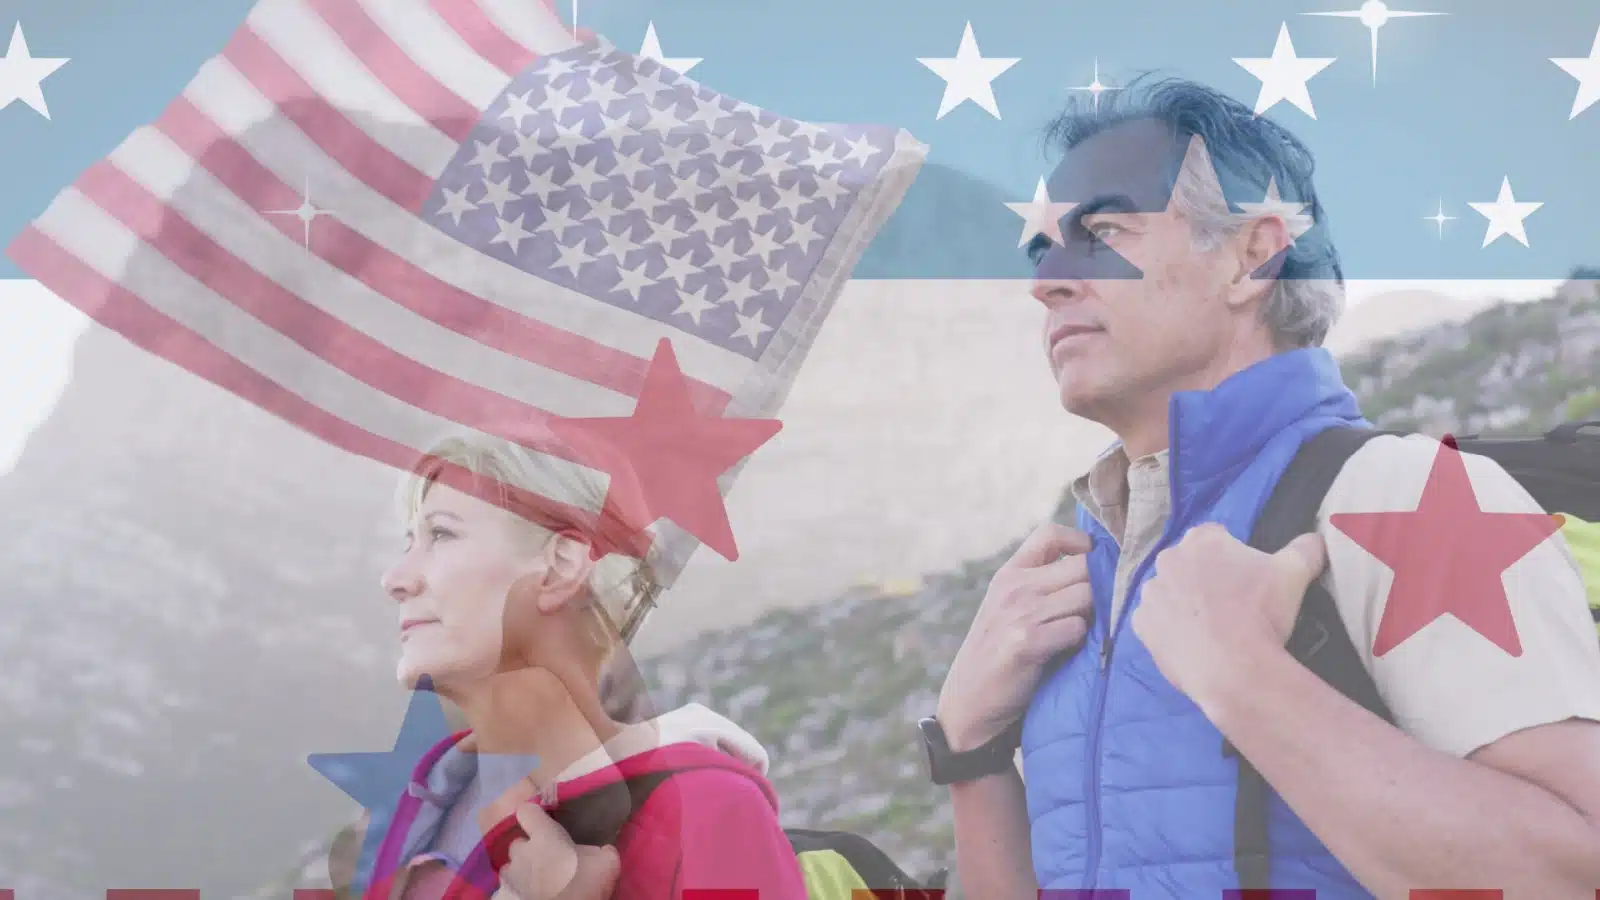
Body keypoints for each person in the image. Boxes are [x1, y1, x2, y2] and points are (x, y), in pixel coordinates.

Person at [926, 75, 1600, 899]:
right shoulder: (1069, 582)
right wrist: (971, 750)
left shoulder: (1404, 497)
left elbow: (1576, 872)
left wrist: (1248, 678)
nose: (1049, 281)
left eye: (1103, 230)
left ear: (1253, 255)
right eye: (1045, 247)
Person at [332, 426, 807, 900]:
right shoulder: (412, 814)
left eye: (442, 534)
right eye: (409, 541)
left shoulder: (707, 811)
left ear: (561, 565)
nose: (395, 579)